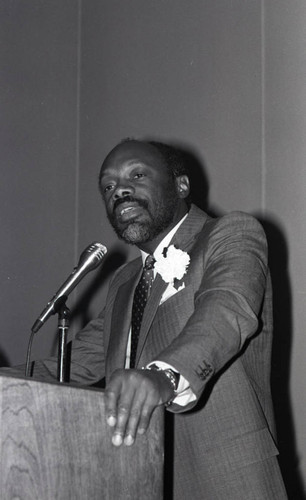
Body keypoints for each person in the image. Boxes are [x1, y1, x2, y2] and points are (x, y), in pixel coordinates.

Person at [12, 139, 287, 499]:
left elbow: (227, 310)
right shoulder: (125, 281)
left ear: (181, 185)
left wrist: (164, 375)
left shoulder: (230, 234)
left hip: (224, 478)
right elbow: (73, 364)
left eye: (137, 175)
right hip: (137, 478)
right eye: (108, 187)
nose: (119, 191)